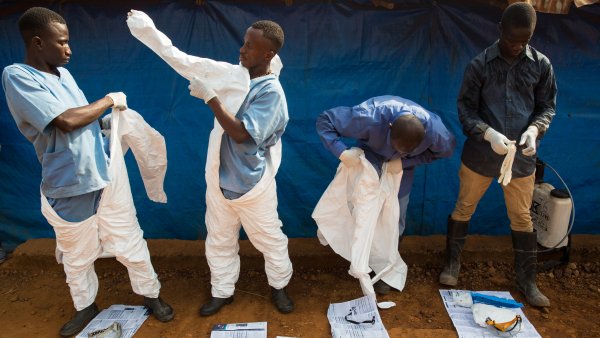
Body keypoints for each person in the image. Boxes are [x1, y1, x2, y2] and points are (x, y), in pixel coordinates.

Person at [2, 7, 173, 336]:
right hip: (68, 185)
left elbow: (84, 117)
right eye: (62, 42)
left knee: (130, 241)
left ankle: (151, 296)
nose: (69, 49)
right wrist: (109, 100)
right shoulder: (17, 77)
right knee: (76, 255)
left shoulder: (64, 76)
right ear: (38, 43)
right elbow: (65, 121)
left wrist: (108, 122)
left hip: (104, 176)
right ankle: (85, 307)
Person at [439, 2, 556, 308]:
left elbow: (547, 107)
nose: (517, 46)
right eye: (512, 40)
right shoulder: (480, 65)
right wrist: (487, 133)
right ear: (500, 31)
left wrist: (534, 131)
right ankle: (451, 265)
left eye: (524, 42)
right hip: (480, 155)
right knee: (464, 207)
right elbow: (465, 109)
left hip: (521, 160)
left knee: (522, 218)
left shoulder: (541, 65)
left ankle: (527, 280)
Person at [187, 20, 294, 316]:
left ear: (269, 54)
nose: (242, 49)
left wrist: (210, 97)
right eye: (244, 42)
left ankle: (279, 287)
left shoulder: (271, 93)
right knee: (219, 239)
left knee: (270, 239)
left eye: (250, 45)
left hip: (251, 184)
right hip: (220, 182)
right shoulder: (239, 81)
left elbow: (241, 133)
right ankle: (222, 292)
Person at [316, 95, 456, 294]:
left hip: (399, 170)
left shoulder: (436, 131)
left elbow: (445, 151)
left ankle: (385, 269)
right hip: (369, 161)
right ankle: (361, 257)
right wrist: (341, 152)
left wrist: (405, 162)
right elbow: (325, 120)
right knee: (363, 212)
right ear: (389, 127)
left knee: (394, 216)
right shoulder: (371, 116)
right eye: (395, 146)